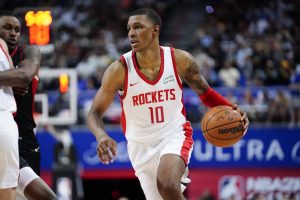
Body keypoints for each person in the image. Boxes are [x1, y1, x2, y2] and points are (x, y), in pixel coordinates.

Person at [87, 8, 249, 200]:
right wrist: (101, 136)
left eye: (138, 27)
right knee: (166, 194)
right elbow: (94, 113)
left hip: (173, 135)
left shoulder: (180, 60)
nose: (131, 33)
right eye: (129, 28)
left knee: (167, 183)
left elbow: (206, 93)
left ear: (155, 30)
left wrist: (232, 111)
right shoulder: (119, 70)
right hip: (139, 146)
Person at [0, 12, 56, 200]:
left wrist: (12, 80)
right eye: (7, 28)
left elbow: (24, 76)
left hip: (25, 139)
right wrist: (9, 81)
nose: (13, 33)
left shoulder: (29, 51)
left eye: (17, 29)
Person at [0, 37, 19, 200]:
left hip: (4, 118)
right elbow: (17, 78)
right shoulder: (1, 44)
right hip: (4, 119)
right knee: (7, 187)